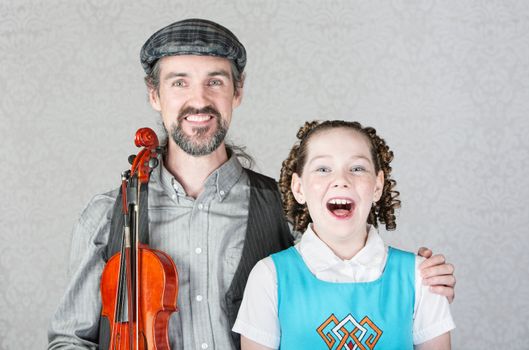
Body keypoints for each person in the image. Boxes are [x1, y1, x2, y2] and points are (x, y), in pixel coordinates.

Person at [48, 19, 456, 350]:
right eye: (179, 82)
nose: (199, 99)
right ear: (154, 95)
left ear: (237, 92)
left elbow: (350, 270)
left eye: (215, 81)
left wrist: (418, 279)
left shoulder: (285, 205)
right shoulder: (107, 215)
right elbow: (70, 340)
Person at [233, 120, 456, 350]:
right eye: (323, 169)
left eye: (357, 168)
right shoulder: (269, 277)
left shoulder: (422, 278)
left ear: (378, 186)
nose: (341, 180)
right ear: (299, 188)